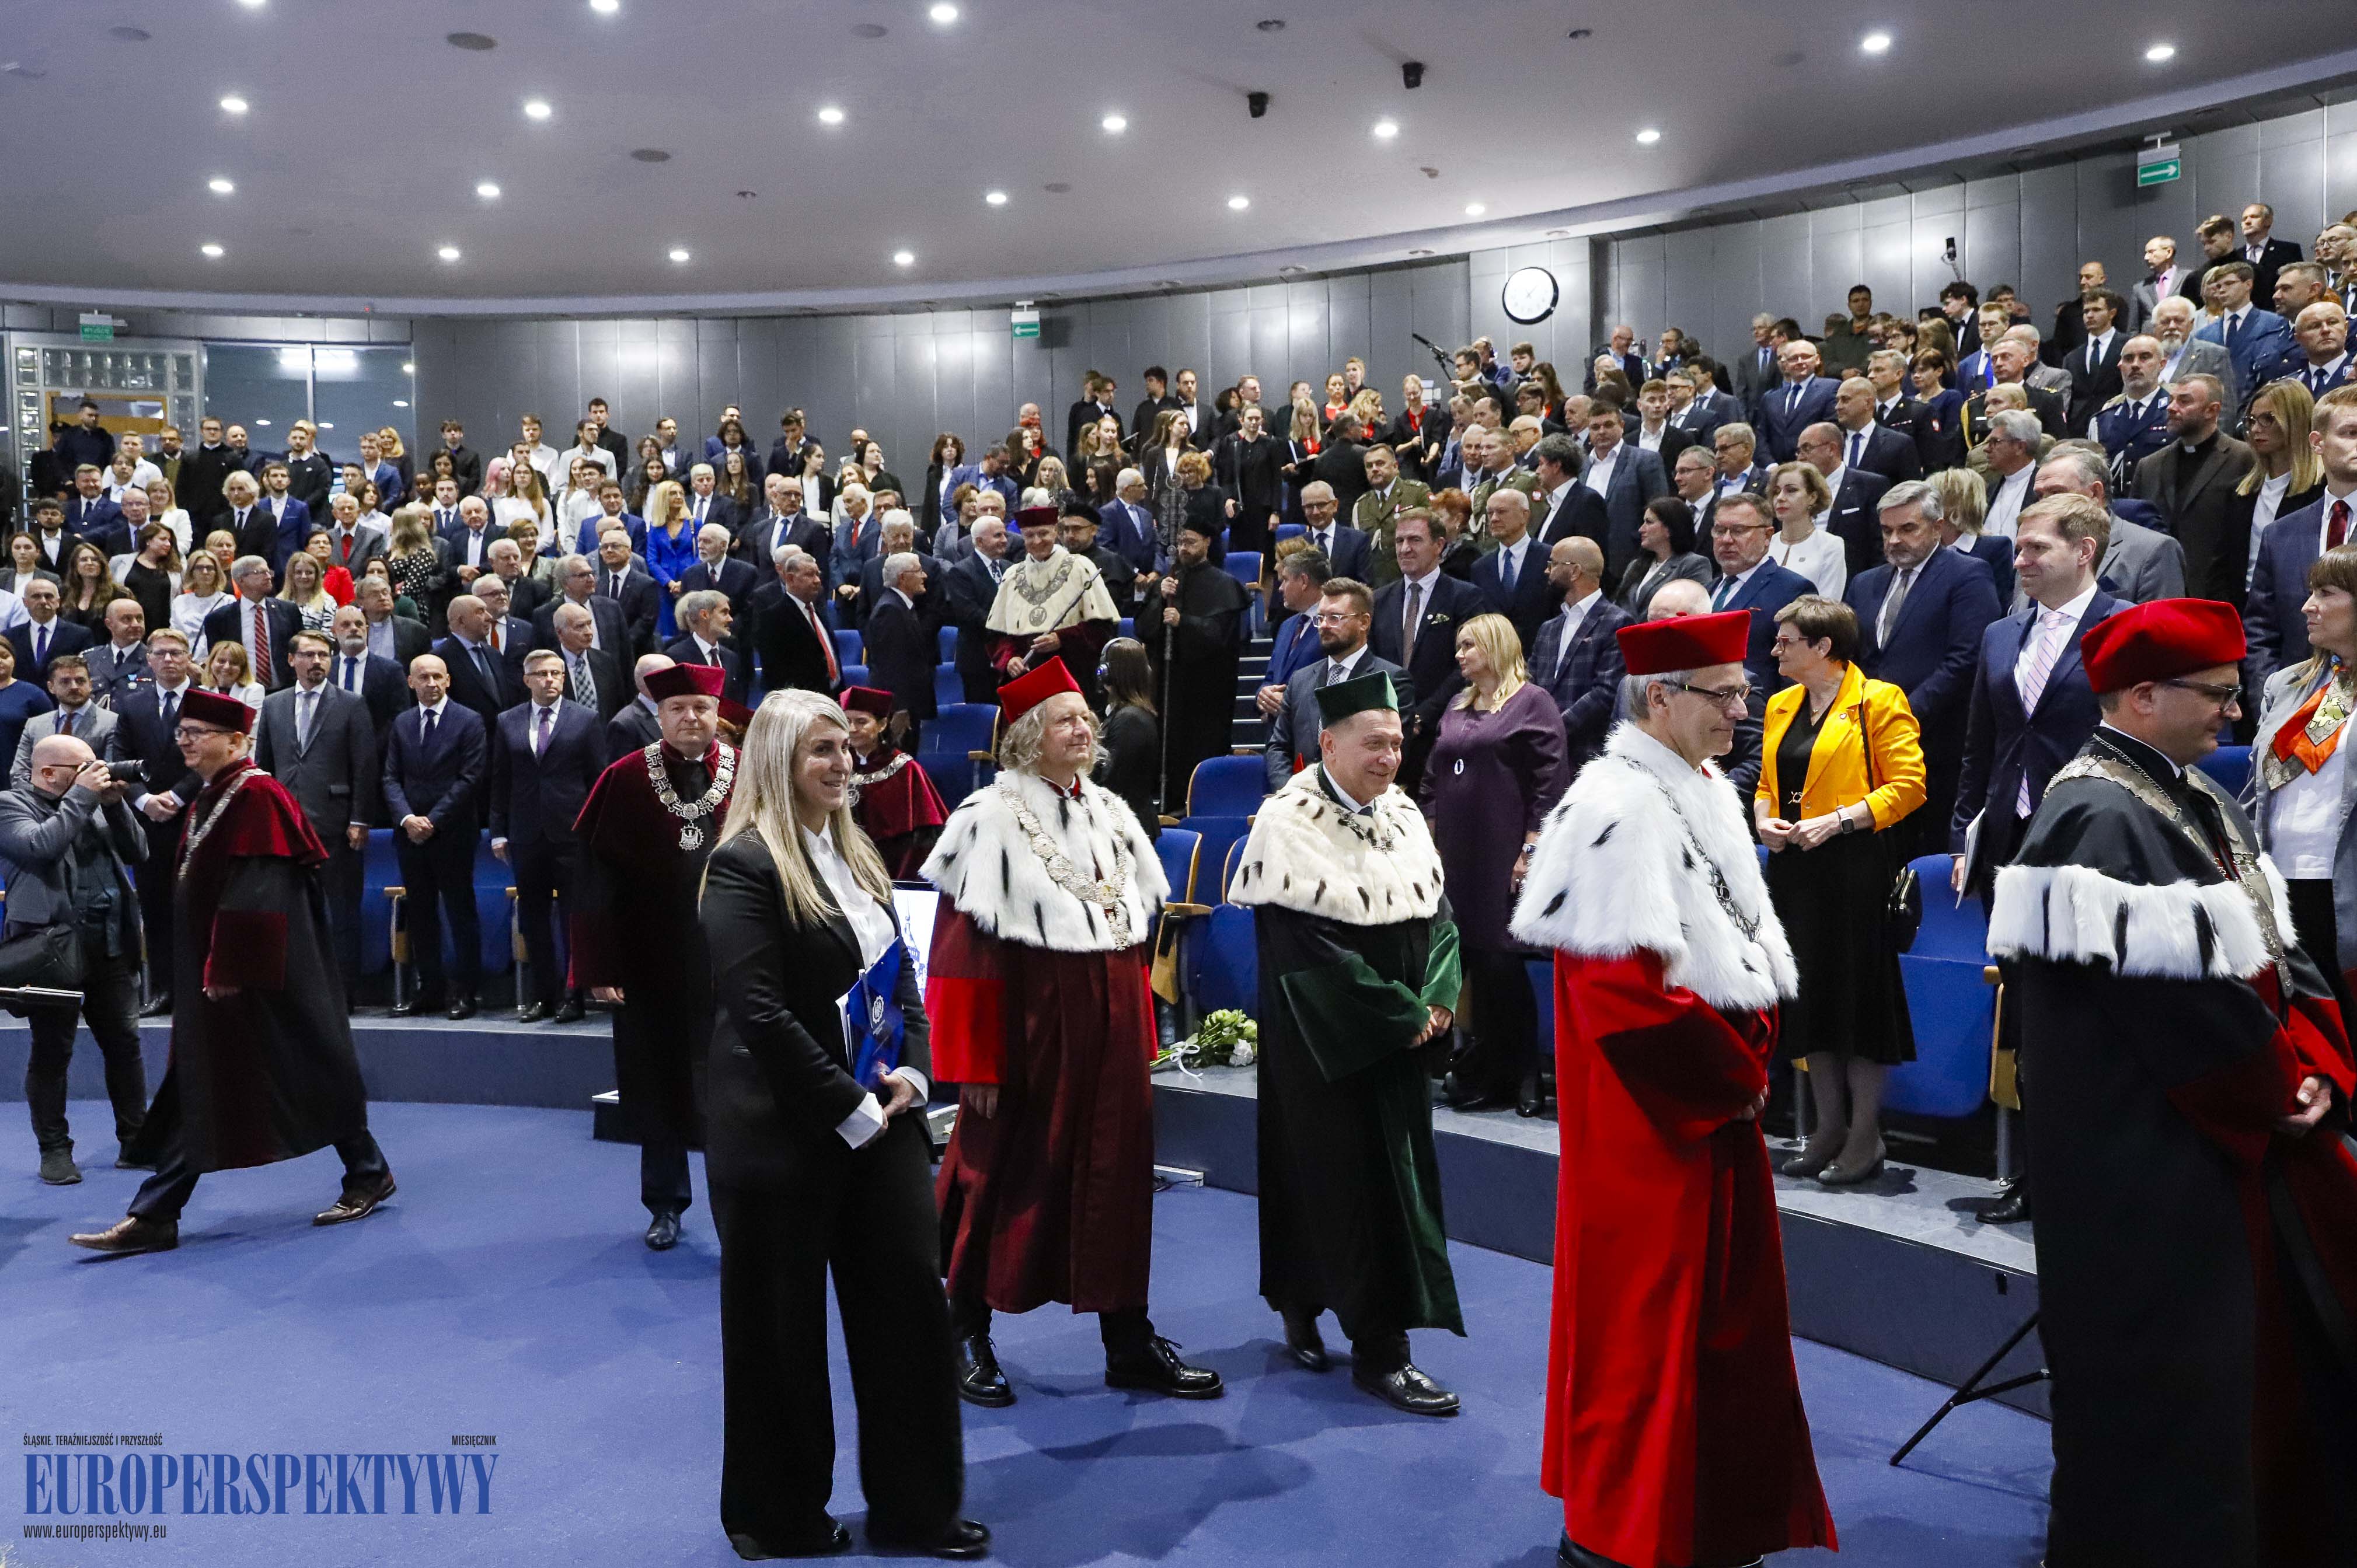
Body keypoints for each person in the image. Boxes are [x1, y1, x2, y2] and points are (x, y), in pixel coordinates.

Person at [1988, 598, 2357, 1567]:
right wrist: (2275, 1089)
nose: (2232, 714)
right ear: (2141, 697)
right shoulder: (2093, 813)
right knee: (2160, 1414)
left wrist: (2312, 1064)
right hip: (2141, 1174)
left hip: (2207, 1150)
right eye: (2214, 694)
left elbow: (2276, 952)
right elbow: (2180, 1005)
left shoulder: (2188, 796)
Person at [1511, 607, 1835, 1568]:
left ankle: (1701, 1520)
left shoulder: (1695, 789)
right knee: (1644, 1333)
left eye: (1743, 689)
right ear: (1661, 698)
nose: (1744, 707)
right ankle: (1628, 1531)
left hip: (1706, 1115)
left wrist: (1747, 1056)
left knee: (1711, 1333)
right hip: (1656, 1131)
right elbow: (1623, 998)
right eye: (1726, 693)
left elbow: (1730, 948)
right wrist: (1734, 1077)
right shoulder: (1618, 806)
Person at [700, 690, 984, 1563]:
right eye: (819, 751)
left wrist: (912, 1069)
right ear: (777, 761)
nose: (841, 764)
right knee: (778, 1331)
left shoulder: (857, 855)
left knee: (908, 1312)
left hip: (882, 1119)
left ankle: (917, 1507)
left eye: (844, 748)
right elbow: (758, 1012)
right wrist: (849, 1104)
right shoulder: (742, 865)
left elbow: (902, 978)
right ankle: (775, 1514)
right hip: (781, 1132)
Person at [922, 660, 1221, 1406]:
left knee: (1118, 1180)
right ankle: (964, 1328)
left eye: (1087, 716)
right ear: (1028, 738)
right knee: (1004, 1178)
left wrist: (1141, 1029)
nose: (1084, 728)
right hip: (1026, 1033)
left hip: (1113, 1032)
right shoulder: (986, 820)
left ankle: (1128, 1337)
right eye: (1066, 720)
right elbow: (959, 957)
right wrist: (974, 1065)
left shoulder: (1113, 813)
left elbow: (1128, 941)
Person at [68, 687, 395, 1254]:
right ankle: (158, 1212)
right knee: (221, 1080)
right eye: (183, 731)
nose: (184, 740)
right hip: (221, 967)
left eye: (198, 733)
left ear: (238, 740)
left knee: (289, 1070)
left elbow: (259, 888)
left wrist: (232, 962)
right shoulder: (212, 794)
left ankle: (364, 1172)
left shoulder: (259, 794)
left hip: (258, 970)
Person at [1229, 669, 1467, 1413]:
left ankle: (1377, 1337)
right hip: (1323, 1048)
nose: (1390, 756)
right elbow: (1307, 953)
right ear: (1327, 743)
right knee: (1330, 1184)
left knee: (1392, 1191)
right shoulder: (1287, 823)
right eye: (1374, 743)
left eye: (1397, 742)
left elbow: (1441, 918)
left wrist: (1435, 1000)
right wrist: (1400, 1015)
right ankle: (1355, 1336)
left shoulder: (1403, 813)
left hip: (1397, 1043)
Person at [1754, 596, 1926, 1185]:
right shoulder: (1781, 704)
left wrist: (1841, 819)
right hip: (1796, 868)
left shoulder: (1879, 699)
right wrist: (1762, 820)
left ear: (1823, 646)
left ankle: (1864, 1134)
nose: (1775, 648)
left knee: (1858, 1003)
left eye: (1786, 639)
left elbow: (1909, 786)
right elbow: (1766, 783)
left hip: (1853, 867)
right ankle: (1827, 1126)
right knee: (1810, 1002)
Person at [573, 662, 737, 1250]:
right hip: (649, 959)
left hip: (733, 963)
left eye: (701, 707)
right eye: (678, 709)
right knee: (656, 1079)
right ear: (658, 714)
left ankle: (736, 1202)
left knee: (732, 1086)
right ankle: (665, 1202)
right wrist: (599, 964)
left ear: (717, 712)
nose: (691, 718)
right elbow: (594, 880)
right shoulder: (623, 778)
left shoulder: (750, 775)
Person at [1421, 613, 1567, 1116]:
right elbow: (1433, 779)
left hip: (1505, 849)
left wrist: (1531, 848)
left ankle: (1527, 1074)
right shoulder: (1458, 706)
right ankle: (1489, 1070)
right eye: (1458, 646)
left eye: (1469, 645)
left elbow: (1550, 783)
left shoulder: (1532, 702)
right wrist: (1431, 840)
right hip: (1459, 854)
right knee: (1477, 962)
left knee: (1504, 961)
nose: (1459, 655)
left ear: (1496, 645)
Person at [5, 734, 148, 1186]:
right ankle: (54, 1150)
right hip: (52, 950)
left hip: (109, 943)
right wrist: (85, 796)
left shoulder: (89, 803)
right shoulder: (11, 804)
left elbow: (138, 852)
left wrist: (114, 805)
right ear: (48, 773)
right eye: (82, 767)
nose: (96, 773)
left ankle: (136, 1139)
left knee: (124, 1045)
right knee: (52, 1051)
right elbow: (41, 847)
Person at [1846, 481, 2003, 860]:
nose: (1895, 540)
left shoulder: (1968, 574)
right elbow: (1852, 659)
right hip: (1867, 744)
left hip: (1936, 743)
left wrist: (1900, 717)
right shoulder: (1866, 582)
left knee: (1927, 856)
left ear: (1938, 527)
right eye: (1887, 530)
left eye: (1908, 528)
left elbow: (1966, 659)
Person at [2249, 545, 2357, 1024]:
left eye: (2325, 593)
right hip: (2281, 881)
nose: (2306, 605)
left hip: (2345, 885)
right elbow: (2260, 788)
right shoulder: (2288, 685)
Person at [252, 630, 377, 1008]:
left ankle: (342, 994)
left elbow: (365, 765)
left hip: (337, 824)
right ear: (292, 661)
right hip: (286, 824)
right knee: (286, 911)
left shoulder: (351, 704)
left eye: (324, 655)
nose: (317, 661)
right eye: (308, 655)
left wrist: (361, 819)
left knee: (341, 911)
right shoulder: (274, 705)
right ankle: (292, 991)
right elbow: (264, 766)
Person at [488, 649, 605, 1025]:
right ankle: (544, 996)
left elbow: (598, 779)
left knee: (573, 917)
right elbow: (500, 781)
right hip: (526, 832)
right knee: (533, 918)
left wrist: (596, 831)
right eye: (541, 674)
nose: (550, 680)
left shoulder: (585, 719)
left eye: (556, 673)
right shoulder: (507, 721)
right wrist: (497, 832)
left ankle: (574, 996)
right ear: (527, 680)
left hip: (572, 834)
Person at [1153, 515, 1250, 807]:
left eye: (1190, 542)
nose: (1184, 548)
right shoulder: (1169, 582)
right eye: (1180, 542)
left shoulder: (1224, 585)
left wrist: (1186, 622)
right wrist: (1160, 599)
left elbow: (1222, 635)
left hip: (1208, 688)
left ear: (1207, 543)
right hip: (1170, 684)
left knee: (1203, 749)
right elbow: (1147, 629)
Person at [985, 504, 1121, 699]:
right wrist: (1009, 659)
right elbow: (997, 636)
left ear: (1055, 532)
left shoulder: (1081, 567)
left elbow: (1102, 630)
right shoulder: (1012, 575)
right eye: (1030, 536)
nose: (1037, 541)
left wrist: (1062, 639)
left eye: (1043, 534)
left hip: (1071, 674)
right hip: (1025, 676)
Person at [1528, 536, 1631, 778]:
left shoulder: (1617, 622)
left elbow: (1606, 692)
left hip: (1588, 759)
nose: (1547, 570)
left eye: (1553, 564)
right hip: (1539, 756)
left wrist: (1554, 730)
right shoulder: (1548, 628)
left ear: (1575, 571)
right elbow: (1529, 685)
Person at [835, 685, 949, 879]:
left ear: (882, 725)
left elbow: (922, 836)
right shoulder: (836, 763)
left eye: (862, 722)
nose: (852, 729)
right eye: (847, 721)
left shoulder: (906, 769)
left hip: (892, 869)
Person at [1094, 637, 1162, 832]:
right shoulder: (1124, 714)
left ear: (1108, 673)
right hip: (1124, 822)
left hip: (1129, 827)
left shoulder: (1130, 719)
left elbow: (1113, 782)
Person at [1615, 494, 1713, 616]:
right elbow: (1618, 605)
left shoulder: (1693, 564)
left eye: (1649, 522)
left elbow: (1694, 611)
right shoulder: (1635, 565)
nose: (1641, 529)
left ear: (1670, 529)